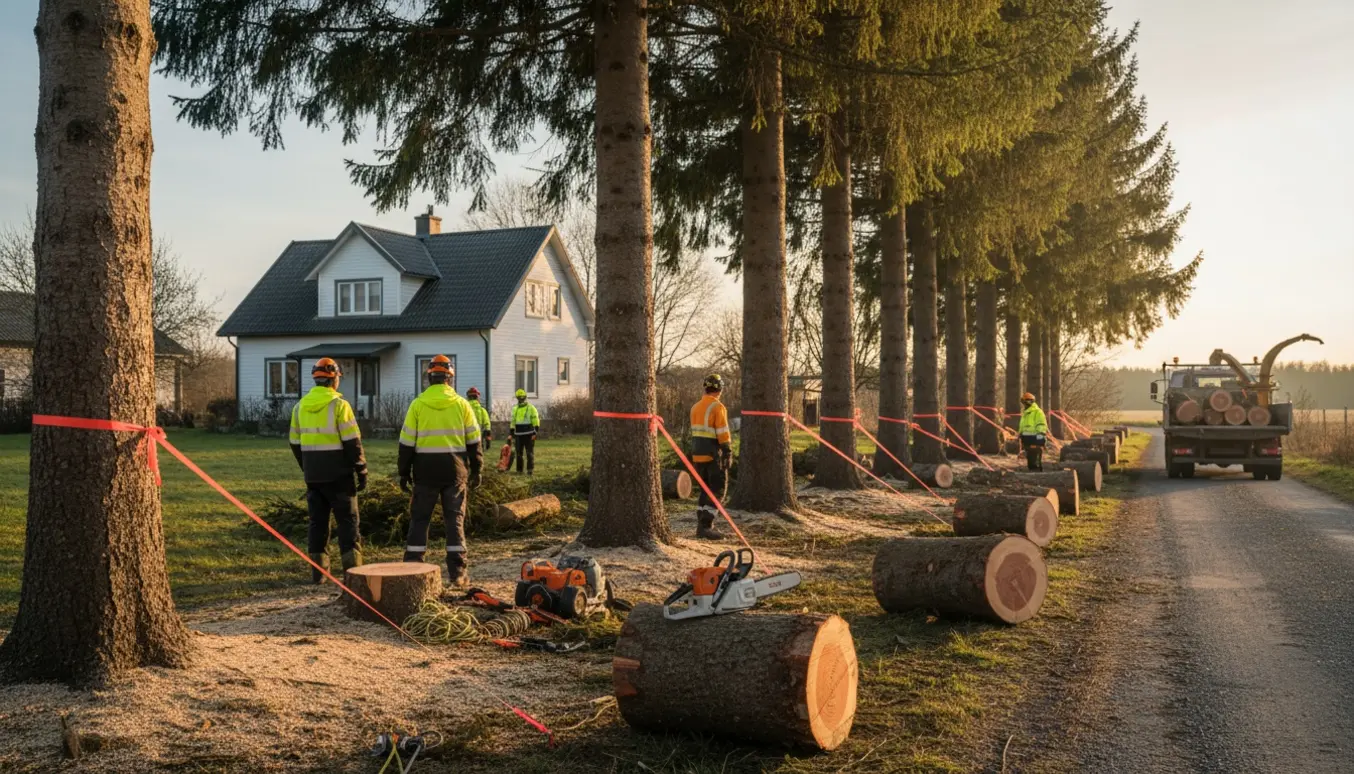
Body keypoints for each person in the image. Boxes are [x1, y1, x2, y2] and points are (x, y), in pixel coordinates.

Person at [399, 355, 482, 587]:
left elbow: (406, 444)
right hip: (455, 471)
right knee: (454, 520)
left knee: (420, 519)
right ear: (450, 379)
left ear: (429, 378)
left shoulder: (417, 404)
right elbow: (474, 442)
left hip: (424, 471)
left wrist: (403, 472)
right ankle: (458, 572)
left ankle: (413, 568)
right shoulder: (462, 405)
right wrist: (477, 470)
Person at [288, 357, 367, 582]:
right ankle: (353, 572)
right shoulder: (339, 405)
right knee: (348, 521)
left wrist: (307, 466)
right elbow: (352, 442)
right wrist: (361, 470)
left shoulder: (299, 407)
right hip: (340, 475)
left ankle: (319, 573)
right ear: (334, 380)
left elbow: (294, 443)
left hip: (313, 475)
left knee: (317, 523)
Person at [689, 373, 733, 540]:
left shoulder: (695, 407)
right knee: (718, 489)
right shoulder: (718, 407)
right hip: (713, 454)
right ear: (720, 389)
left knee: (704, 490)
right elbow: (722, 432)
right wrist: (727, 452)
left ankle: (701, 525)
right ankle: (706, 526)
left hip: (697, 455)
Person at [511, 388, 540, 475]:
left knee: (526, 453)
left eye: (521, 398)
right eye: (520, 398)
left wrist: (535, 432)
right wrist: (511, 432)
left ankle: (527, 470)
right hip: (522, 434)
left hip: (526, 434)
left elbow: (535, 420)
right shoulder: (529, 408)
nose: (521, 399)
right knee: (523, 453)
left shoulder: (527, 408)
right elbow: (513, 421)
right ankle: (523, 470)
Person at [1019, 391, 1049, 471]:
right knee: (1030, 456)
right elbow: (1023, 425)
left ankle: (1037, 471)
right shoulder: (1026, 413)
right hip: (1027, 438)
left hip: (1035, 438)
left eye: (1025, 402)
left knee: (1035, 454)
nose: (1024, 404)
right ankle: (1032, 470)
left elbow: (1041, 424)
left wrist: (1039, 436)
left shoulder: (1038, 412)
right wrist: (1020, 434)